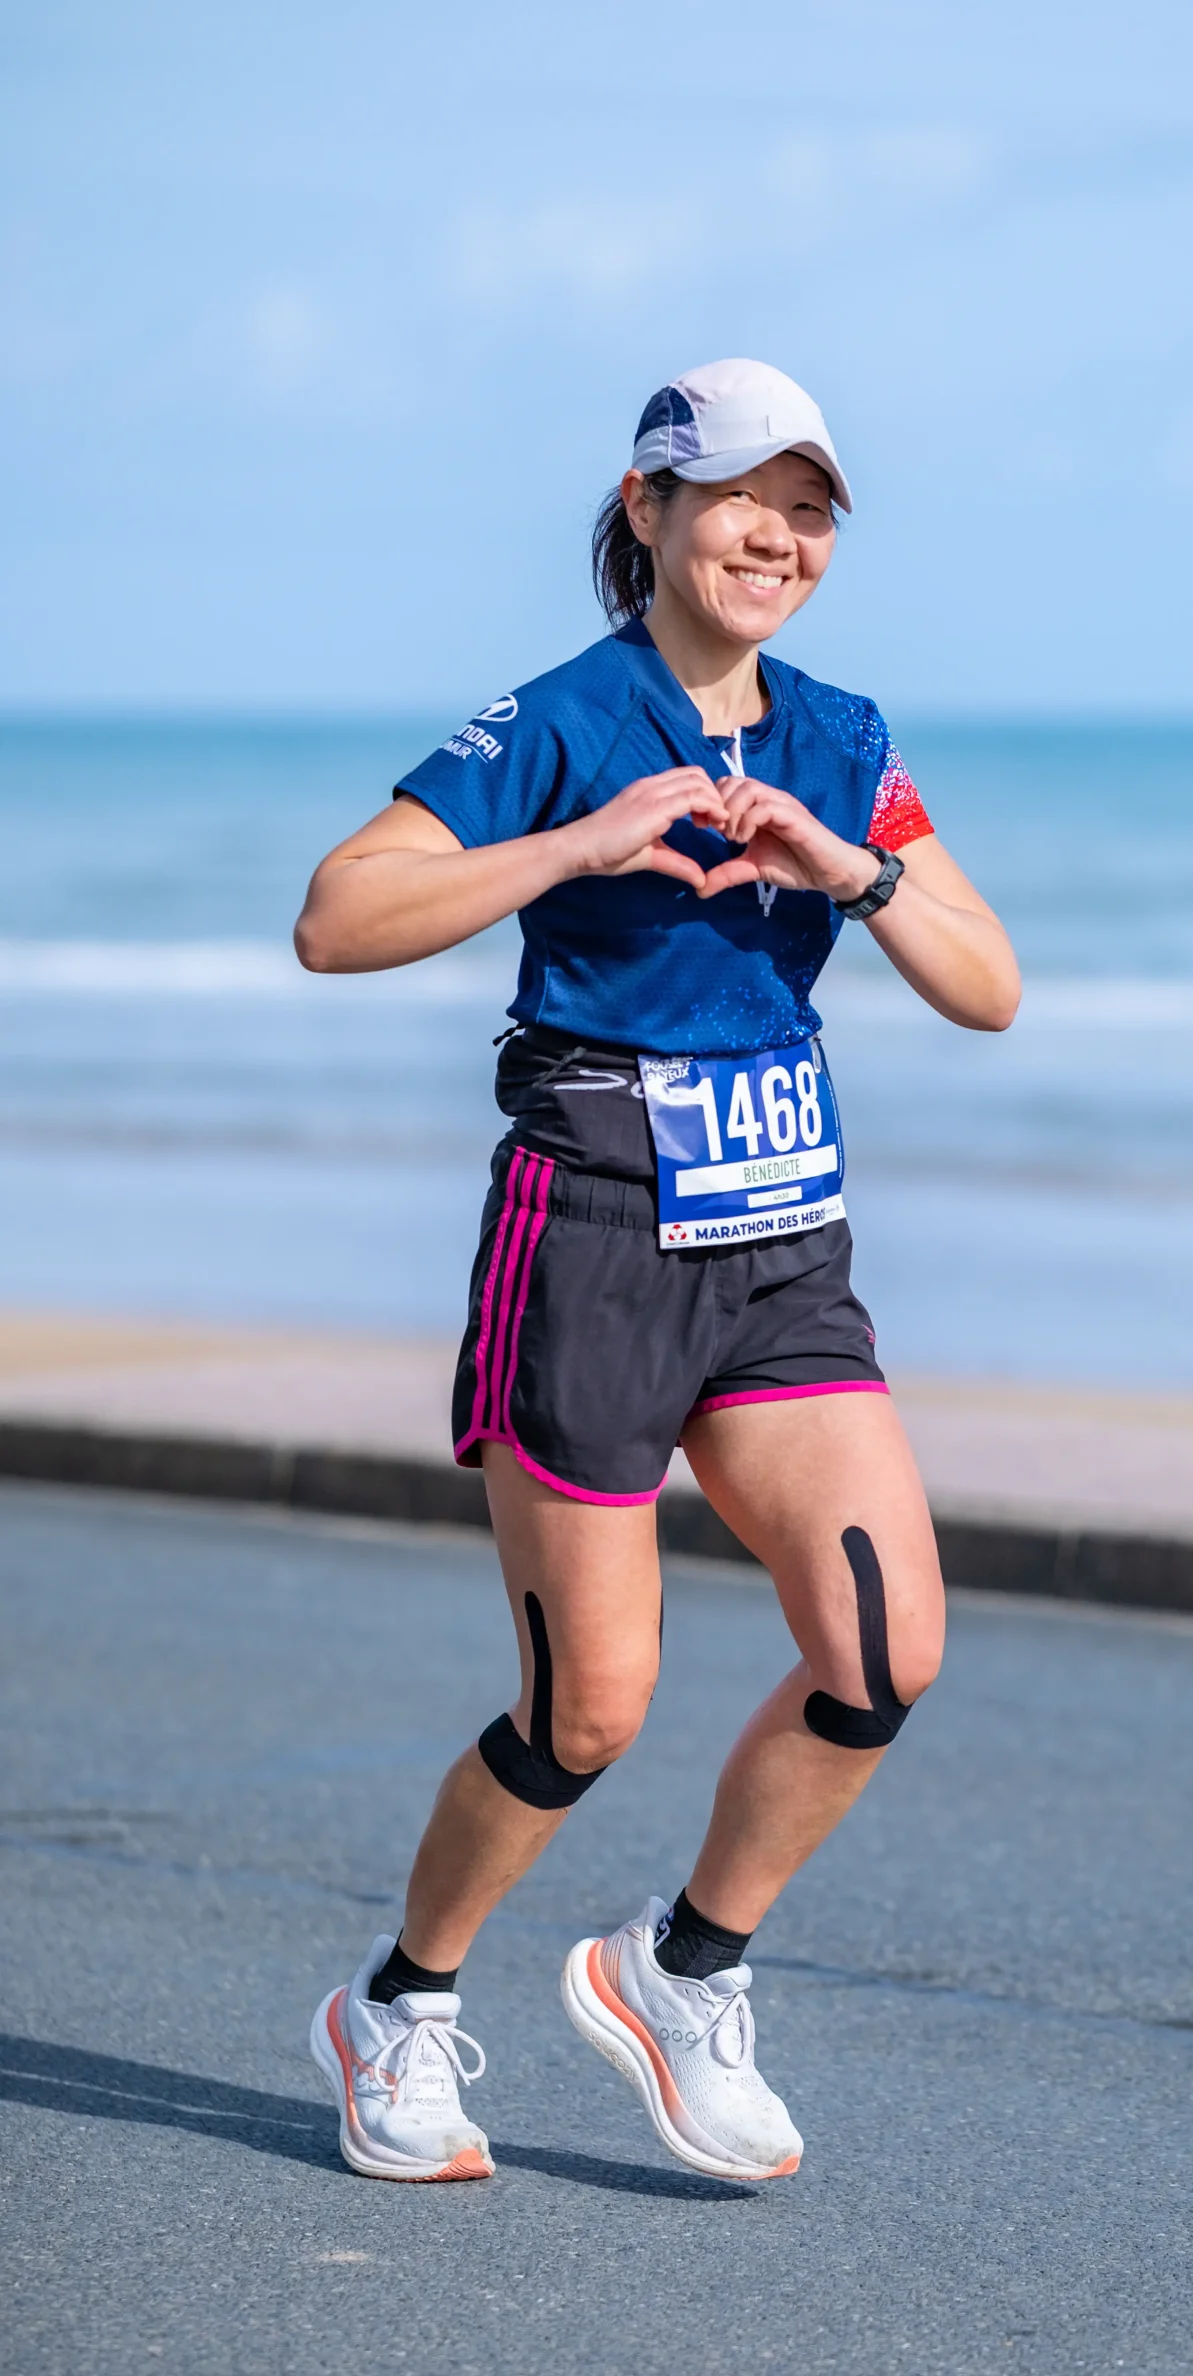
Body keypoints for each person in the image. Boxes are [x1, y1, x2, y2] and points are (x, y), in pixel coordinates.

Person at [295, 358, 1020, 2184]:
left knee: (882, 1651)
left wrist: (850, 870)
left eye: (810, 509)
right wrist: (585, 839)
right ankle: (400, 2003)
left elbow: (988, 985)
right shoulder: (558, 717)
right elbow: (337, 915)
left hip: (781, 1243)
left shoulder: (842, 734)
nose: (778, 537)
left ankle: (681, 1969)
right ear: (650, 508)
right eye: (743, 500)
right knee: (588, 1710)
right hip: (593, 1234)